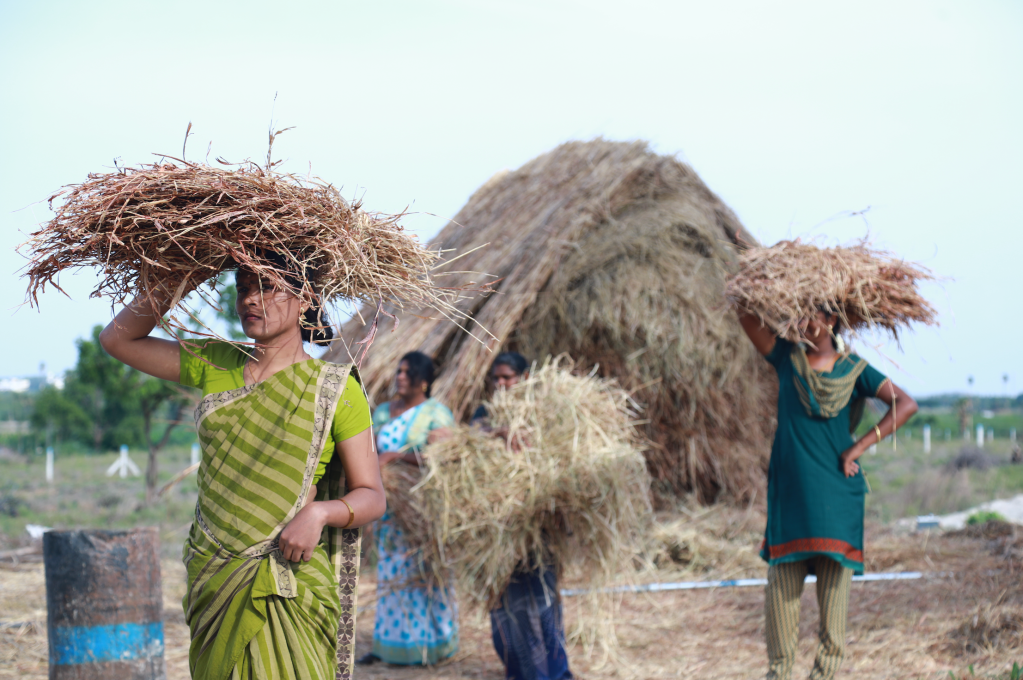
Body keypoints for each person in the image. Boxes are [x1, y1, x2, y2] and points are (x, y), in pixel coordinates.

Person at [98, 256, 387, 680]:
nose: (250, 299)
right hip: (216, 576)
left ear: (306, 297)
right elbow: (118, 340)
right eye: (242, 287)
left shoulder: (335, 388)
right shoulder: (216, 363)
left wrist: (320, 513)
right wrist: (185, 270)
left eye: (267, 287)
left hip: (288, 584)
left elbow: (372, 494)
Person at [738, 309, 917, 680]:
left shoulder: (854, 369)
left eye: (812, 316)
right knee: (780, 599)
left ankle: (825, 676)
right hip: (790, 497)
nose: (803, 322)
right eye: (798, 315)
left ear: (833, 321)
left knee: (834, 608)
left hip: (836, 497)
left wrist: (860, 447)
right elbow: (745, 315)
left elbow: (906, 404)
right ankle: (780, 674)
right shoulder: (787, 358)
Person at [472, 352, 573, 680]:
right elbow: (468, 438)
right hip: (498, 529)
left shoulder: (542, 413)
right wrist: (499, 432)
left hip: (537, 525)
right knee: (504, 605)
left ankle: (554, 673)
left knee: (541, 600)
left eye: (507, 377)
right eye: (496, 378)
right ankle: (518, 671)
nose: (501, 384)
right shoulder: (485, 414)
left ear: (525, 377)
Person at [358, 351, 459, 666]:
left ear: (424, 380)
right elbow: (370, 449)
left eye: (407, 372)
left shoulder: (435, 413)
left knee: (423, 573)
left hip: (420, 507)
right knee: (390, 571)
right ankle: (388, 645)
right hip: (389, 509)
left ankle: (428, 648)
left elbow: (445, 458)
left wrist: (397, 457)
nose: (400, 377)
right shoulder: (385, 412)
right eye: (398, 371)